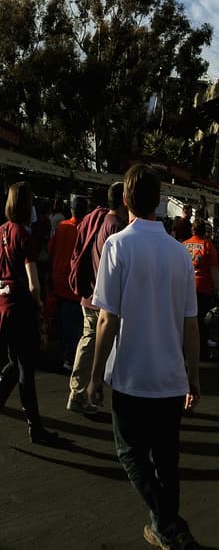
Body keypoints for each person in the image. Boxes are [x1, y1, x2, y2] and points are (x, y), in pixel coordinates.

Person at [87, 165, 201, 549]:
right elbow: (190, 324)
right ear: (160, 200)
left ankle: (168, 524)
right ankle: (168, 527)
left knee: (130, 452)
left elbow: (107, 318)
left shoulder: (118, 245)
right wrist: (193, 376)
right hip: (169, 377)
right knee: (167, 461)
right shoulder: (179, 253)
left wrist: (93, 375)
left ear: (125, 200)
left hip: (132, 375)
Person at [0, 182, 59, 444]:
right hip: (21, 307)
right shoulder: (25, 238)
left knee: (14, 361)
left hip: (3, 305)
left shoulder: (1, 231)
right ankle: (35, 426)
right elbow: (34, 282)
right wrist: (39, 306)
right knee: (25, 367)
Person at [68, 182, 128, 416]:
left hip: (90, 294)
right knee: (93, 344)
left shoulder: (100, 220)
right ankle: (83, 392)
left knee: (90, 343)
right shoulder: (115, 227)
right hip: (99, 299)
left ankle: (81, 392)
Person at [49, 196, 87, 372]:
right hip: (74, 285)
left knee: (63, 322)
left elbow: (51, 249)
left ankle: (64, 355)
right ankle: (69, 358)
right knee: (74, 325)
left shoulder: (61, 227)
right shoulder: (84, 230)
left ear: (70, 210)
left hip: (58, 280)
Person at [182, 220, 219, 361]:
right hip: (202, 287)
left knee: (185, 321)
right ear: (204, 231)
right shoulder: (207, 245)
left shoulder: (183, 245)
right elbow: (214, 270)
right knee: (201, 322)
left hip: (185, 287)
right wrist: (217, 288)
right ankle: (202, 352)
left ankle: (184, 350)